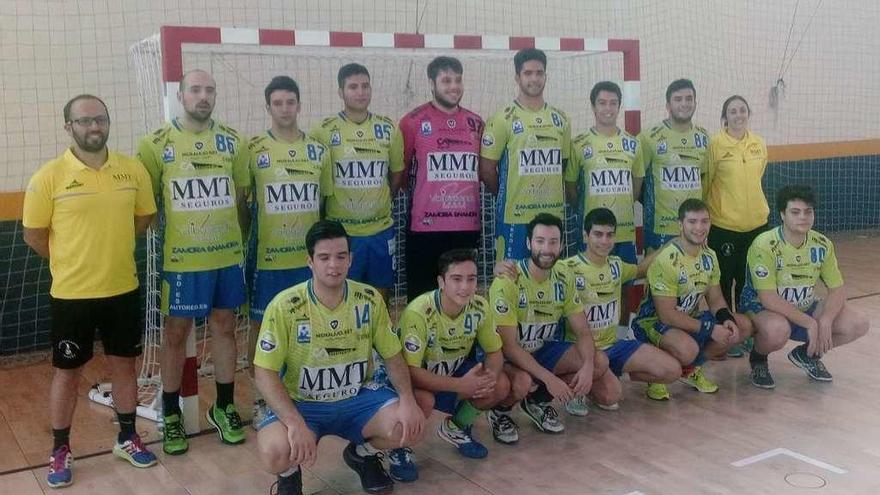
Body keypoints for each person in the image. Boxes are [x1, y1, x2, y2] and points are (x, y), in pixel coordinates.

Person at [23, 94, 158, 487]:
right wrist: (71, 260)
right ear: (69, 128)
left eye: (100, 119)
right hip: (71, 296)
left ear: (108, 122)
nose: (93, 127)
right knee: (67, 373)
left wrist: (108, 253)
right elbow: (34, 235)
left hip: (122, 289)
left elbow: (144, 217)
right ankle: (60, 449)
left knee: (124, 366)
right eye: (83, 121)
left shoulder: (132, 170)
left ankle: (128, 437)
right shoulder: (48, 176)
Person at [253, 221, 424, 495]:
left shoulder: (368, 299)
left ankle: (362, 455)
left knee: (408, 426)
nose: (334, 265)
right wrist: (295, 423)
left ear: (350, 259)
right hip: (304, 403)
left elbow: (392, 355)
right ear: (310, 261)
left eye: (341, 256)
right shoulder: (285, 306)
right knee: (274, 452)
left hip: (357, 398)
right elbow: (263, 372)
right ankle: (289, 475)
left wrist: (407, 399)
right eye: (324, 257)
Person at [137, 69, 250, 454]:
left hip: (226, 257)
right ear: (181, 95)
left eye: (210, 90)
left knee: (224, 328)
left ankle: (224, 406)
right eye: (196, 90)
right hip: (183, 261)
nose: (204, 96)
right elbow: (148, 204)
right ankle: (170, 413)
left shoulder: (234, 141)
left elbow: (239, 197)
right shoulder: (155, 144)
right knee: (174, 333)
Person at [386, 248, 514, 482]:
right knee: (425, 400)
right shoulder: (418, 312)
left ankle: (456, 427)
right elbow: (410, 372)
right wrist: (461, 386)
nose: (465, 287)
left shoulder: (480, 306)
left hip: (451, 375)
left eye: (471, 279)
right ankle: (398, 448)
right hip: (413, 381)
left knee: (501, 383)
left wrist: (488, 380)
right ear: (441, 282)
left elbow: (495, 352)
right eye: (456, 279)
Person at [247, 76, 331, 426]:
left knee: (308, 325)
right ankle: (260, 398)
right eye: (277, 103)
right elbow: (242, 202)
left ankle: (302, 394)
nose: (285, 109)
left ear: (299, 104)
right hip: (267, 260)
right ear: (268, 108)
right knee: (260, 325)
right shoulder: (253, 150)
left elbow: (323, 204)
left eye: (290, 102)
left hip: (305, 260)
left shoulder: (318, 150)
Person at [488, 213, 610, 437]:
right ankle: (499, 412)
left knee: (599, 361)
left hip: (540, 350)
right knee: (522, 382)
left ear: (562, 245)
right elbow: (509, 347)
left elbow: (582, 331)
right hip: (509, 357)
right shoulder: (507, 281)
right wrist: (549, 379)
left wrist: (588, 367)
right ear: (528, 243)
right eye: (540, 241)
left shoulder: (564, 276)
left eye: (553, 242)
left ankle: (537, 403)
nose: (547, 248)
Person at [740, 185, 869, 388]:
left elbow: (837, 289)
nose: (803, 217)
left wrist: (825, 319)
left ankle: (807, 354)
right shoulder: (764, 245)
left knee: (858, 322)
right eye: (795, 212)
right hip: (763, 308)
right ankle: (758, 359)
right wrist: (810, 323)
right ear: (782, 214)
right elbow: (768, 298)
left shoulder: (822, 244)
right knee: (777, 330)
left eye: (808, 212)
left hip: (804, 306)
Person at [631, 199, 753, 399]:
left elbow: (716, 300)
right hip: (652, 322)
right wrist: (711, 329)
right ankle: (656, 372)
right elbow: (667, 315)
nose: (699, 227)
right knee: (688, 348)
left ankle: (689, 370)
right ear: (680, 225)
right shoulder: (666, 260)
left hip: (688, 319)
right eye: (692, 221)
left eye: (704, 221)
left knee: (743, 326)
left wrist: (726, 319)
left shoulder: (710, 256)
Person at [559, 208, 681, 406]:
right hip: (583, 352)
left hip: (614, 347)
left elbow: (642, 269)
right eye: (598, 234)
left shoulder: (616, 265)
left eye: (609, 235)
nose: (604, 241)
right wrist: (504, 270)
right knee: (611, 397)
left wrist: (670, 245)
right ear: (585, 235)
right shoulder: (567, 268)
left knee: (672, 370)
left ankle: (610, 374)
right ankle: (577, 384)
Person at [390, 56, 485, 301]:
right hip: (425, 229)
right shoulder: (412, 122)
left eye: (457, 80)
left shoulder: (476, 123)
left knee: (462, 298)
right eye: (446, 80)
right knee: (422, 300)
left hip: (465, 228)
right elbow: (402, 173)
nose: (454, 86)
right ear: (432, 83)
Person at [310, 64, 403, 299]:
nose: (361, 92)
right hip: (342, 232)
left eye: (365, 86)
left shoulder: (388, 128)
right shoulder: (323, 131)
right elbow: (318, 184)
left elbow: (396, 173)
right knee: (342, 297)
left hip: (380, 230)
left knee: (379, 298)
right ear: (341, 92)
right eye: (353, 87)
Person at [480, 48, 571, 262]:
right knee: (511, 279)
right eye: (528, 73)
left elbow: (562, 165)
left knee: (548, 280)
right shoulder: (502, 118)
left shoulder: (560, 119)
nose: (534, 79)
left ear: (545, 76)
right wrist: (506, 193)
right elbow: (486, 169)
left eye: (539, 73)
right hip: (515, 217)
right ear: (517, 77)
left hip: (551, 216)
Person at [704, 95, 768, 357]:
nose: (738, 115)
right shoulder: (715, 145)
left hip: (756, 226)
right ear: (725, 116)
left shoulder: (759, 144)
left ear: (748, 113)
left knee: (748, 283)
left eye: (742, 110)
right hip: (724, 226)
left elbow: (759, 176)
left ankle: (749, 332)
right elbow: (707, 182)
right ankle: (729, 336)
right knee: (724, 281)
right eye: (733, 111)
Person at [565, 81, 644, 263]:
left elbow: (636, 186)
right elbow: (570, 188)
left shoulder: (633, 144)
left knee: (624, 285)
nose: (608, 108)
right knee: (589, 285)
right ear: (593, 106)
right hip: (592, 234)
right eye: (602, 103)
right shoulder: (579, 144)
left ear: (619, 106)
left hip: (623, 232)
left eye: (613, 103)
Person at [638, 79, 709, 252]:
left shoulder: (704, 137)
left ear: (695, 103)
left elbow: (704, 180)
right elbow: (637, 183)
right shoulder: (649, 137)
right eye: (678, 99)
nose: (684, 104)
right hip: (661, 229)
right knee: (660, 278)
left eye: (689, 98)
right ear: (668, 105)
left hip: (695, 229)